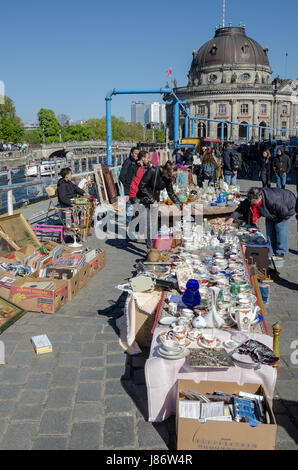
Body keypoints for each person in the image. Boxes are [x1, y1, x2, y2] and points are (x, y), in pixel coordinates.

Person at [225, 186, 297, 258]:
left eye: (253, 202)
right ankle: (272, 249)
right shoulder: (253, 196)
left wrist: (274, 218)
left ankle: (281, 251)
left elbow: (284, 213)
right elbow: (242, 207)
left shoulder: (274, 200)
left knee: (280, 228)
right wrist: (231, 218)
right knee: (270, 228)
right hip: (273, 209)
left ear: (260, 197)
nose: (252, 203)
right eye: (251, 202)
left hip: (287, 206)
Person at [137, 161, 183, 249]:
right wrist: (151, 199)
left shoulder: (168, 178)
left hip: (155, 202)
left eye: (173, 176)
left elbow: (171, 193)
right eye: (170, 175)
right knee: (148, 225)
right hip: (144, 200)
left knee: (153, 226)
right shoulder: (153, 171)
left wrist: (179, 204)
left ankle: (153, 246)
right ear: (165, 170)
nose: (171, 178)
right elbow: (141, 186)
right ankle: (151, 249)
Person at [119, 147, 140, 232]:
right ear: (131, 153)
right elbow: (122, 176)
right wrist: (127, 189)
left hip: (135, 189)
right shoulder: (128, 162)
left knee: (133, 208)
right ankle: (128, 225)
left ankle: (132, 226)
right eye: (135, 153)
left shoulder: (135, 162)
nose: (137, 155)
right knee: (129, 207)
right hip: (129, 189)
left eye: (138, 154)